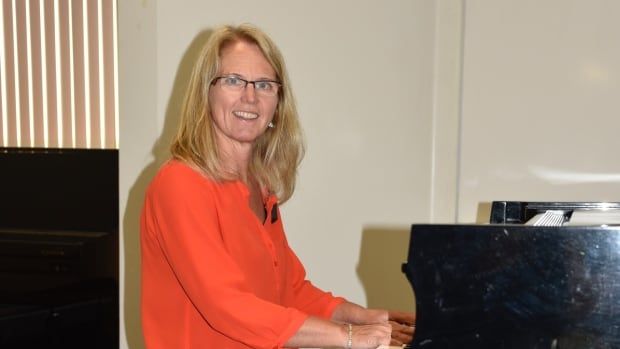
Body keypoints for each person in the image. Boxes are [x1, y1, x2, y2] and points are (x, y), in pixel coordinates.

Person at [140, 23, 415, 349]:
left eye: (265, 85)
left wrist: (363, 317)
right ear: (206, 93)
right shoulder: (180, 184)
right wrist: (349, 336)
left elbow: (290, 290)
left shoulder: (259, 188)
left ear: (277, 103)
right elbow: (226, 306)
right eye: (232, 80)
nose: (250, 96)